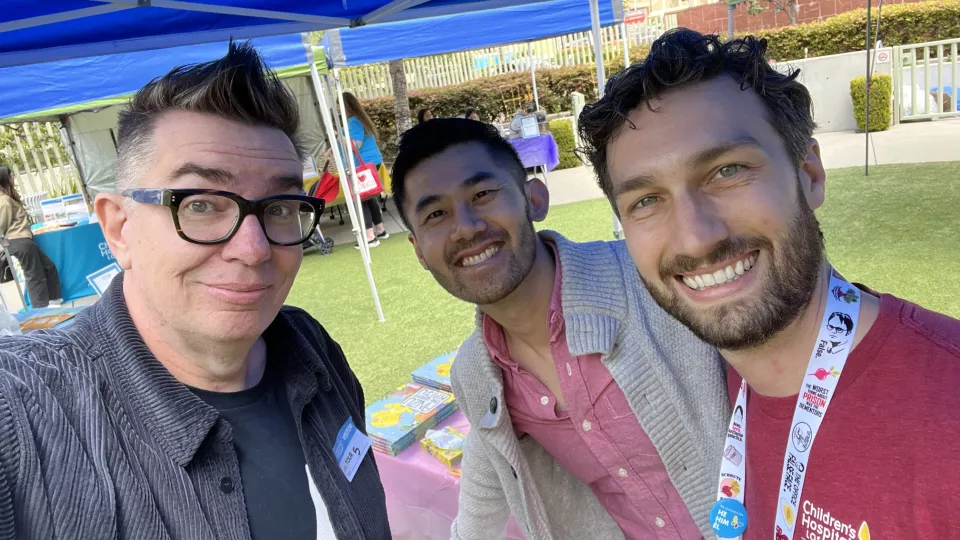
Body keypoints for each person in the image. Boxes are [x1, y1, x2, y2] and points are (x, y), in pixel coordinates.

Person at [579, 28, 960, 539]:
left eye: (727, 170)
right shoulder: (712, 383)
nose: (694, 238)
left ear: (809, 173)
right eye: (645, 201)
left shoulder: (946, 416)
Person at [0, 42, 389, 539]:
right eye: (201, 204)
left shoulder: (311, 348)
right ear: (119, 228)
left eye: (278, 206)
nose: (253, 249)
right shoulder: (24, 412)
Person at [391, 118, 730, 539]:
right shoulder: (477, 374)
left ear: (534, 199)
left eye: (481, 194)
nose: (466, 226)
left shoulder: (652, 281)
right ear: (419, 251)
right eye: (436, 214)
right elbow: (487, 457)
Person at [0, 165, 61, 308]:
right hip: (18, 241)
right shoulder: (4, 200)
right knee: (34, 276)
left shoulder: (7, 197)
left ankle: (53, 300)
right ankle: (40, 310)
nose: (13, 177)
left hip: (24, 240)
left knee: (48, 267)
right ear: (5, 178)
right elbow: (2, 224)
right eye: (11, 175)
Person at [342, 91, 389, 248]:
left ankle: (369, 236)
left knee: (361, 199)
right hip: (371, 162)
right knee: (370, 198)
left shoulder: (353, 122)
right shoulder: (360, 119)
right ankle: (380, 230)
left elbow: (355, 144)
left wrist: (338, 136)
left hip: (361, 165)